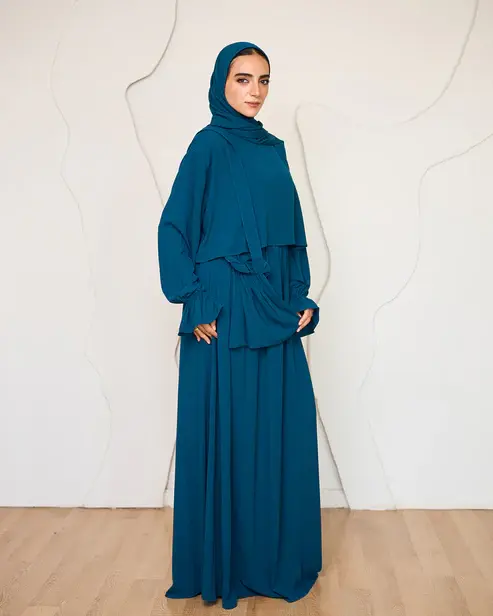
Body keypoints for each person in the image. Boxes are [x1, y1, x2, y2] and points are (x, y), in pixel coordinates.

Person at [157, 41, 322, 611]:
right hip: (221, 309)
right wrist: (193, 299)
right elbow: (174, 226)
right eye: (243, 78)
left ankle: (270, 559)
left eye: (264, 80)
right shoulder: (207, 145)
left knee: (278, 426)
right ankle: (229, 564)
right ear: (221, 84)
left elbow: (292, 235)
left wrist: (299, 294)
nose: (255, 90)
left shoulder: (274, 151)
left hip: (272, 304)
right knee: (229, 434)